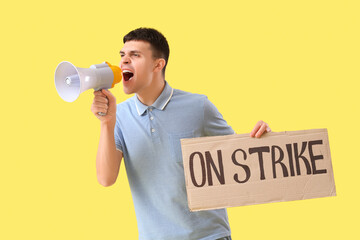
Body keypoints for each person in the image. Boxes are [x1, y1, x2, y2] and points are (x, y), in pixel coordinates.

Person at [91, 28, 271, 240]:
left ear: (158, 64)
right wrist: (107, 122)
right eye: (122, 55)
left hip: (209, 236)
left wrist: (265, 141)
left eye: (135, 55)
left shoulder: (199, 107)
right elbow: (105, 178)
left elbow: (241, 161)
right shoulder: (119, 115)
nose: (124, 62)